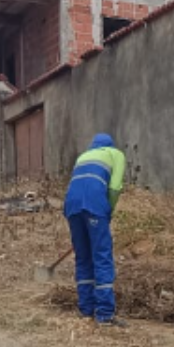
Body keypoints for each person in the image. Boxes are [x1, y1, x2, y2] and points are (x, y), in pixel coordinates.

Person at [64, 133, 127, 326]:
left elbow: (76, 185)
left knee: (83, 257)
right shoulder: (116, 154)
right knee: (101, 256)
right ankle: (105, 313)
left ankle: (86, 309)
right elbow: (115, 188)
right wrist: (107, 211)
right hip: (94, 205)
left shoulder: (83, 156)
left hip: (71, 207)